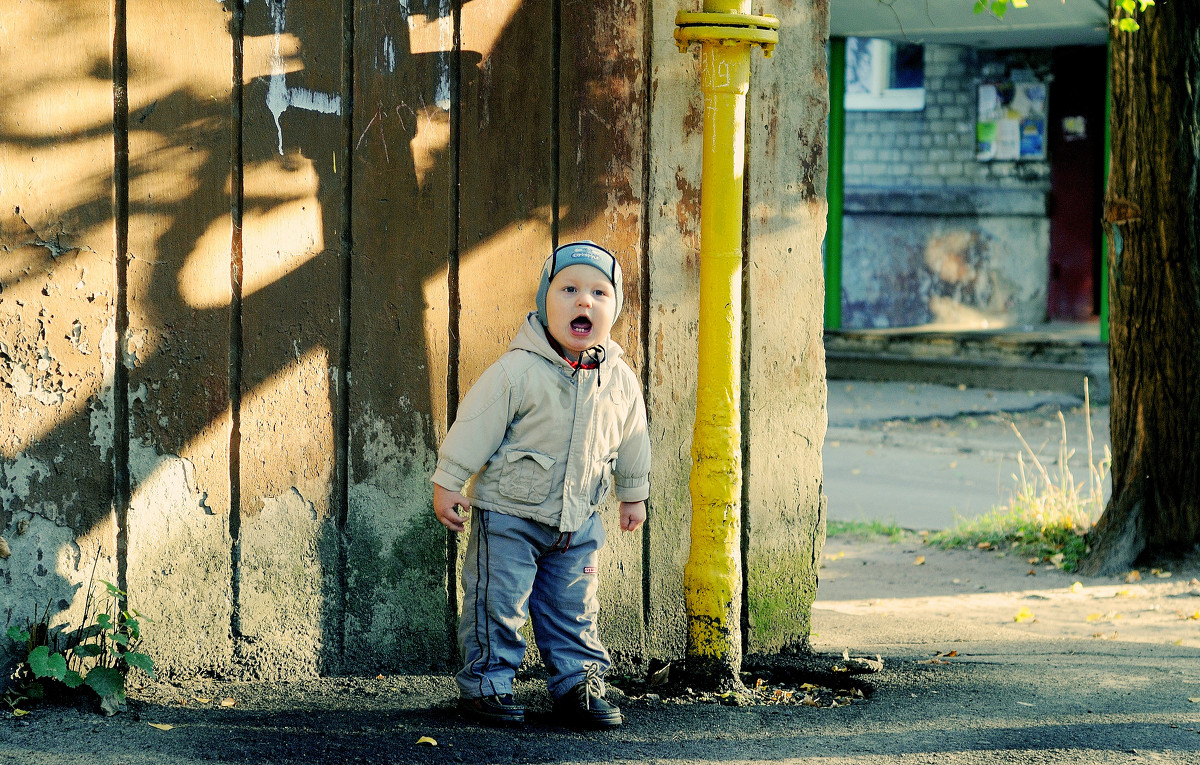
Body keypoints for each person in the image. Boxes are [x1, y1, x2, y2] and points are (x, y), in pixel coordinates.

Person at [431, 241, 651, 729]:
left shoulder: (619, 380)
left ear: (614, 308)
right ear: (543, 301)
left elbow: (634, 437)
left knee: (574, 607)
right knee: (497, 602)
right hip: (510, 515)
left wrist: (632, 492)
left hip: (579, 522)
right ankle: (487, 684)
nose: (583, 302)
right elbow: (475, 426)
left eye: (598, 292)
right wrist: (449, 481)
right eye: (568, 289)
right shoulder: (517, 370)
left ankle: (578, 682)